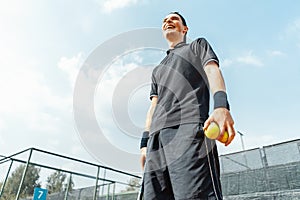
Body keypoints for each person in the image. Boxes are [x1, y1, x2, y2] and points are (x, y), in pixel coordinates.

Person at [139, 12, 235, 200]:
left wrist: (221, 106)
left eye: (174, 19)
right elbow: (153, 107)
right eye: (165, 20)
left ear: (184, 29)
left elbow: (212, 70)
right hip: (156, 143)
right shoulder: (157, 69)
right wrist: (145, 144)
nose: (168, 21)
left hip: (189, 132)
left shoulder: (197, 46)